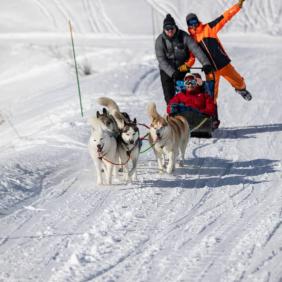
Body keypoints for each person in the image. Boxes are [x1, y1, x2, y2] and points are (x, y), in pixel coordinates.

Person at [186, 0, 252, 102]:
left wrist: (238, 6)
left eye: (194, 21)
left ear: (197, 20)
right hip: (210, 70)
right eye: (191, 23)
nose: (193, 25)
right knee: (211, 95)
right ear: (188, 25)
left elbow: (225, 17)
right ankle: (212, 113)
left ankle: (241, 90)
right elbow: (191, 57)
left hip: (223, 64)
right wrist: (186, 66)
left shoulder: (208, 28)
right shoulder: (191, 40)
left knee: (239, 81)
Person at [155, 14, 212, 104]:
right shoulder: (159, 41)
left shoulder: (183, 36)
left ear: (175, 27)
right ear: (164, 29)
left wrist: (206, 63)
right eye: (167, 28)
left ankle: (188, 113)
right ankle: (172, 115)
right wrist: (172, 73)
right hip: (166, 71)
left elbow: (196, 49)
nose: (170, 31)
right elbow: (161, 60)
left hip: (182, 69)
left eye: (172, 28)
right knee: (169, 97)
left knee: (186, 95)